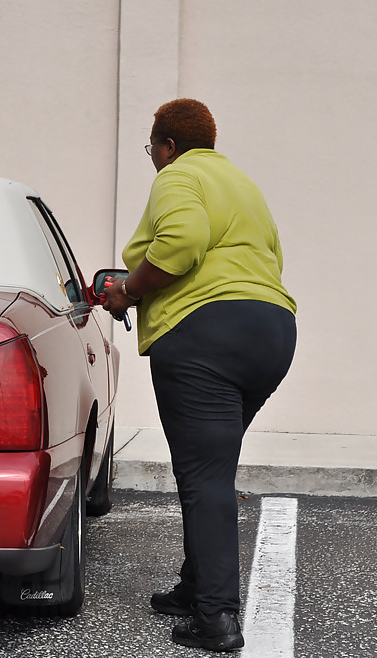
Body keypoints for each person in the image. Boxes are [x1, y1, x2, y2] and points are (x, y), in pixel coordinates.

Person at [103, 99, 297, 652]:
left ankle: (215, 618)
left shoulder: (178, 176)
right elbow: (272, 259)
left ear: (166, 146)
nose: (154, 160)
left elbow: (181, 243)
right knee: (213, 464)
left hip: (204, 337)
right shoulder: (241, 183)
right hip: (272, 331)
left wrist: (129, 290)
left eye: (152, 150)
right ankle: (194, 589)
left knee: (204, 477)